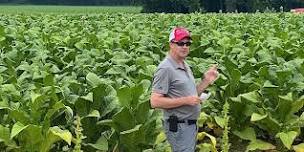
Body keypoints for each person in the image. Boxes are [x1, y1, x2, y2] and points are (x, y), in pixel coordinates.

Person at [150, 27, 218, 152]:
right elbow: (155, 101)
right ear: (171, 44)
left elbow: (192, 95)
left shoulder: (184, 64)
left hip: (190, 125)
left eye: (188, 43)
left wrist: (206, 81)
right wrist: (186, 100)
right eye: (180, 43)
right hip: (179, 127)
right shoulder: (165, 69)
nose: (185, 46)